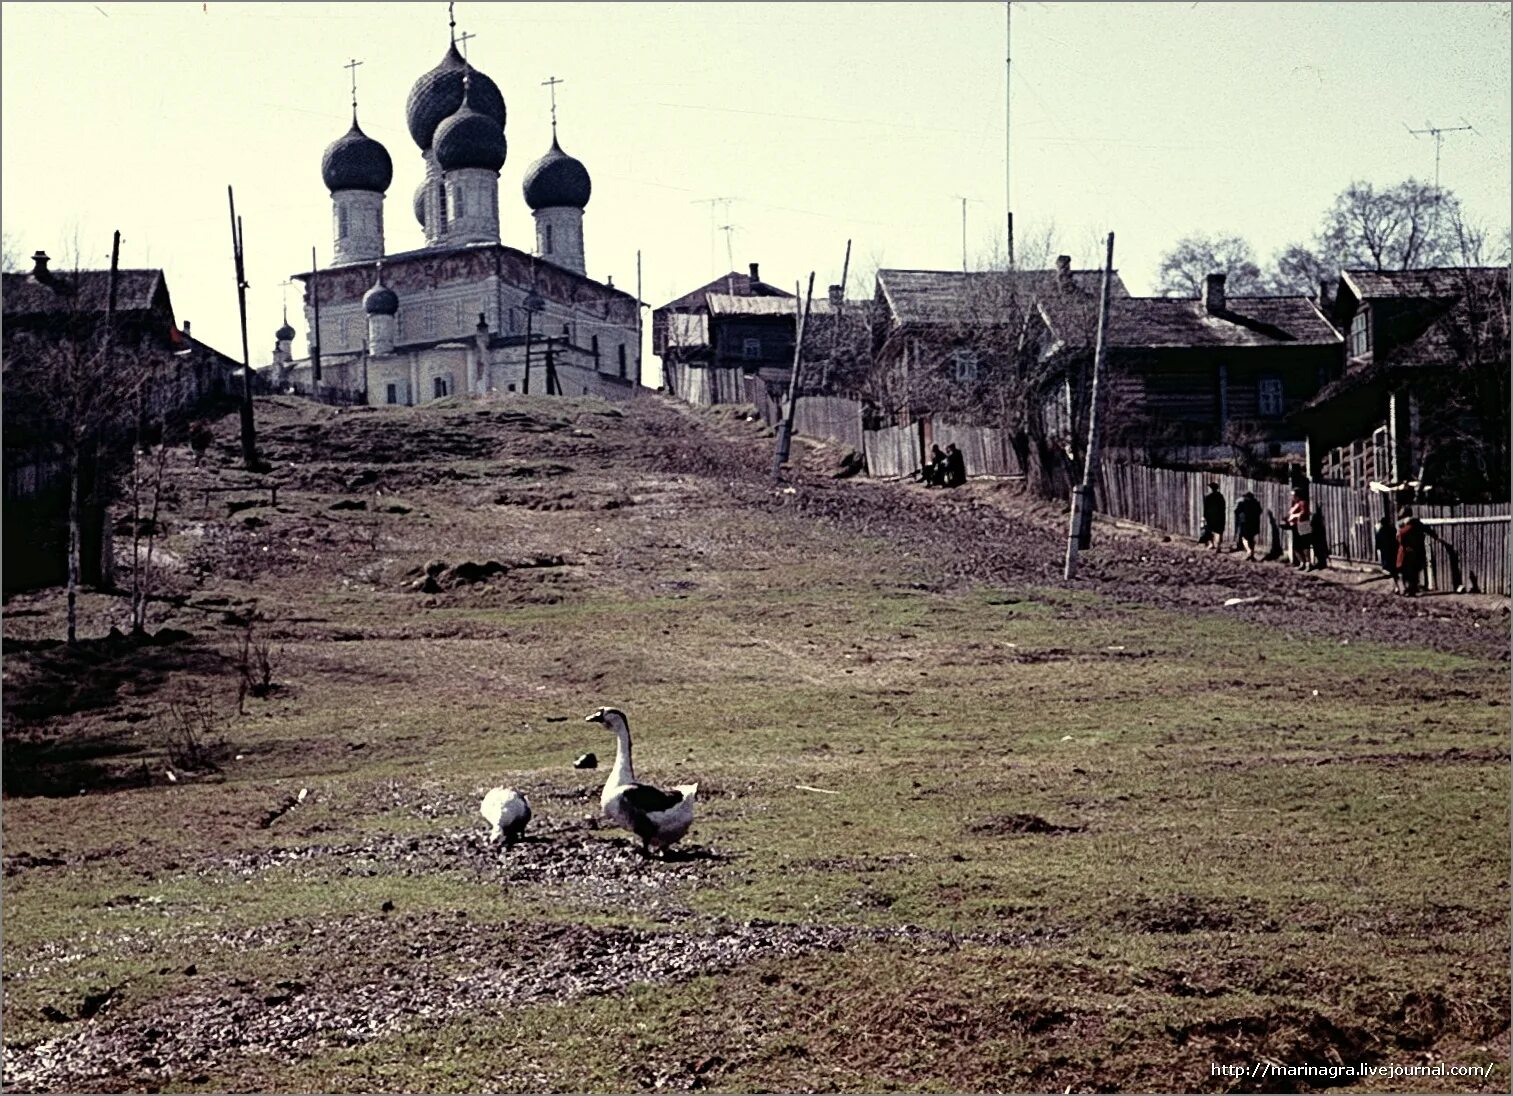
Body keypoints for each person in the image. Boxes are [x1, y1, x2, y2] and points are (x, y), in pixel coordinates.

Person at [1396, 507, 1428, 596]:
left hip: (1407, 553)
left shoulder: (1406, 527)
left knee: (1406, 572)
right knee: (1413, 572)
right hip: (1417, 551)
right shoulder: (1419, 524)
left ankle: (1408, 590)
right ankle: (1410, 589)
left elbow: (1400, 537)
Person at [1286, 490, 1313, 570]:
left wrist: (1294, 516)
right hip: (1295, 527)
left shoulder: (1303, 503)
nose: (1292, 497)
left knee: (1305, 545)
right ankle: (1302, 562)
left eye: (1293, 495)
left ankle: (1308, 563)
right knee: (1296, 546)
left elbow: (1305, 513)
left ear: (1298, 495)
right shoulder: (1295, 504)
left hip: (1303, 526)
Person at [1234, 490, 1263, 561]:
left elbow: (1236, 510)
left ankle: (1249, 551)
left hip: (1245, 522)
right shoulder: (1256, 502)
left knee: (1244, 538)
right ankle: (1252, 554)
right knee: (1251, 538)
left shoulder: (1241, 502)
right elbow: (1260, 511)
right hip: (1254, 522)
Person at [1375, 514, 1401, 592]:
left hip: (1385, 554)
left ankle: (1395, 587)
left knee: (1389, 571)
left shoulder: (1379, 532)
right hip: (1394, 552)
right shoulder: (1393, 530)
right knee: (1394, 570)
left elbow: (1378, 545)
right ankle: (1397, 587)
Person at [1199, 482, 1226, 551]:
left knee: (1209, 530)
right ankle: (1218, 546)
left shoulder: (1208, 497)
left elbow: (1206, 507)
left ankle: (1211, 544)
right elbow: (1223, 507)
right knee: (1218, 531)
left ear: (1211, 488)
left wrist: (1204, 516)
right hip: (1220, 516)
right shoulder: (1220, 496)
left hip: (1210, 516)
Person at [1310, 505, 1329, 570]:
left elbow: (1312, 524)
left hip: (1316, 534)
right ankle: (1321, 563)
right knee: (1319, 549)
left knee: (1318, 549)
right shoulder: (1319, 517)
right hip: (1318, 534)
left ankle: (1321, 563)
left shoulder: (1316, 517)